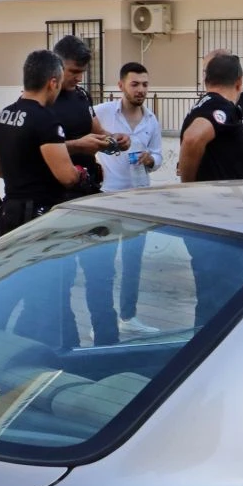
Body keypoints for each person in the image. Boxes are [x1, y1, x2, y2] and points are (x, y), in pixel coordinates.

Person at [90, 62, 165, 341]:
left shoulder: (151, 120)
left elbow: (158, 156)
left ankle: (128, 317)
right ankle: (102, 318)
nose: (141, 90)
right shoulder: (102, 112)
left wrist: (150, 159)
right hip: (108, 196)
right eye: (135, 84)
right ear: (121, 85)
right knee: (104, 263)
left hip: (139, 198)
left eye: (145, 84)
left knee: (133, 260)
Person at [0, 50, 90, 236]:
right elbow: (68, 177)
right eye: (58, 85)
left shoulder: (0, 117)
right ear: (52, 83)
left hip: (8, 214)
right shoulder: (46, 120)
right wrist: (81, 174)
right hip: (38, 218)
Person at [49, 34, 129, 199]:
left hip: (86, 187)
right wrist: (77, 145)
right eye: (73, 72)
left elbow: (97, 131)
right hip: (54, 191)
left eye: (82, 72)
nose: (79, 78)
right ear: (56, 65)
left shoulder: (82, 95)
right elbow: (33, 149)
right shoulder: (43, 99)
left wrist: (115, 139)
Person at [179, 52, 243, 183]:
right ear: (239, 82)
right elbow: (192, 138)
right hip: (220, 200)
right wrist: (188, 187)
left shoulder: (203, 105)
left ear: (206, 81)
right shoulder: (221, 106)